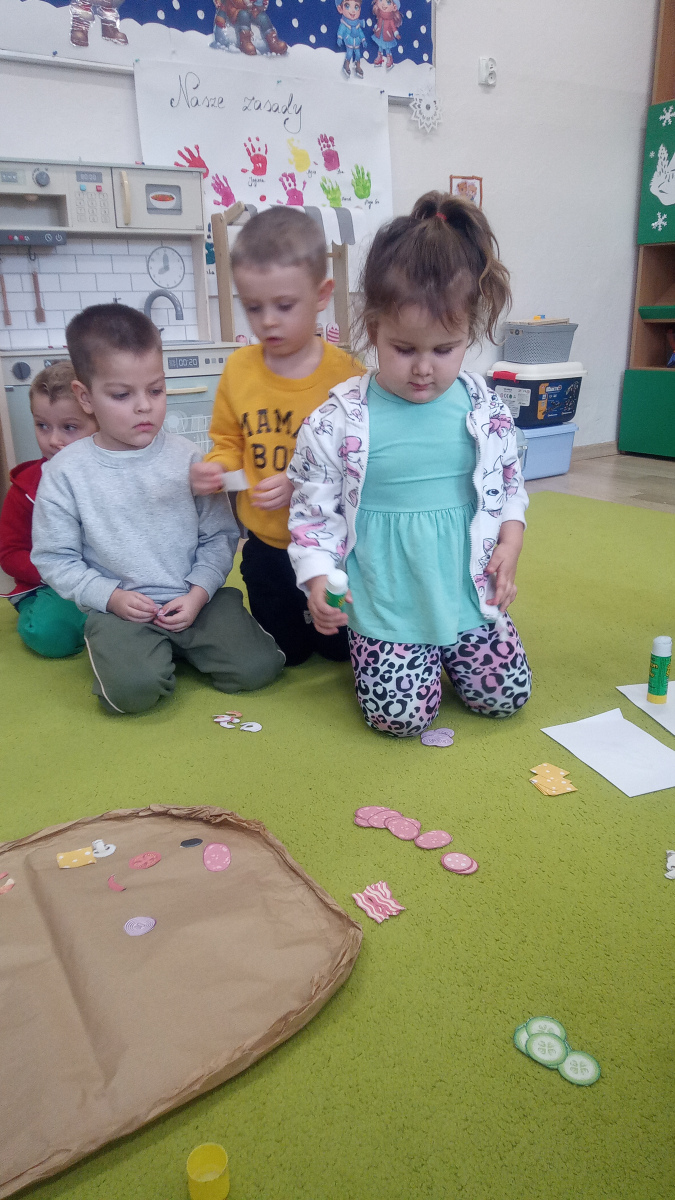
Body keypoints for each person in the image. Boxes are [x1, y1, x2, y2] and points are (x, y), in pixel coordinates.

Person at [287, 191, 532, 737]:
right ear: (372, 327)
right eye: (404, 349)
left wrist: (510, 544)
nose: (423, 369)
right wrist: (319, 580)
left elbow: (510, 483)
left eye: (444, 349)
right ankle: (402, 658)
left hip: (467, 593)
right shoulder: (338, 420)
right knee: (399, 720)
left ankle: (445, 653)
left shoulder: (483, 405)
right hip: (388, 600)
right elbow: (311, 515)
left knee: (507, 697)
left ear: (469, 334)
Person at [31, 304, 284, 715]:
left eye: (156, 390)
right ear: (85, 397)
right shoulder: (64, 473)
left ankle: (180, 643)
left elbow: (219, 536)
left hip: (195, 600)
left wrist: (199, 593)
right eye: (122, 395)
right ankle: (141, 651)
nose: (144, 406)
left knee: (259, 669)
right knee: (132, 694)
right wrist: (110, 597)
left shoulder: (189, 458)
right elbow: (55, 558)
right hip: (120, 612)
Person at [190, 206, 366, 666]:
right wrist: (217, 468)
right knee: (287, 652)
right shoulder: (239, 370)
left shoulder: (347, 375)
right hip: (267, 543)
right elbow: (229, 441)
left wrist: (297, 482)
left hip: (331, 545)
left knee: (339, 650)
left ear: (321, 295)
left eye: (284, 306)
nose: (267, 321)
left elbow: (360, 460)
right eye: (253, 307)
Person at [0, 361, 98, 658]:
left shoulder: (115, 478)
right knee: (50, 633)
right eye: (42, 426)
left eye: (69, 428)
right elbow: (9, 554)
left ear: (101, 422)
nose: (54, 440)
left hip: (113, 581)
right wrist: (59, 574)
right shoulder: (25, 489)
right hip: (52, 586)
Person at [336, 0, 367, 78]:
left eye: (356, 7)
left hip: (357, 42)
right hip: (349, 42)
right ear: (340, 9)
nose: (353, 11)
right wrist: (339, 38)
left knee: (358, 54)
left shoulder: (357, 24)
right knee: (349, 54)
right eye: (347, 6)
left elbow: (360, 32)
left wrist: (363, 40)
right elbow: (341, 31)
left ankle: (358, 66)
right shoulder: (344, 23)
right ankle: (346, 64)